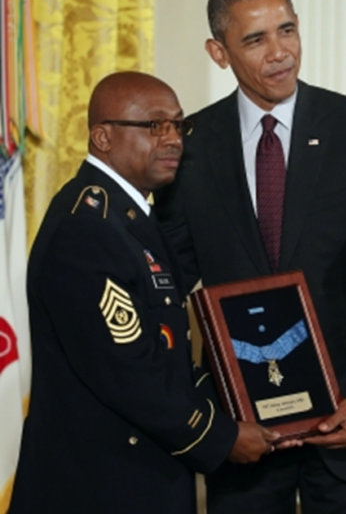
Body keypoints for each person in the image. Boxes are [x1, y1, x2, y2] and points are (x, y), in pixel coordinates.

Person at [154, 0, 346, 514]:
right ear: (219, 51)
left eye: (288, 30)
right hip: (242, 434)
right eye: (255, 40)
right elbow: (170, 284)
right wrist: (203, 412)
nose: (280, 53)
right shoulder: (192, 147)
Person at [9, 71, 277, 514]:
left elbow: (168, 349)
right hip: (99, 486)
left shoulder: (131, 219)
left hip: (140, 474)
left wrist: (240, 394)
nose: (173, 139)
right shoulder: (87, 229)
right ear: (103, 137)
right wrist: (219, 437)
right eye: (154, 126)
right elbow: (130, 371)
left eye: (178, 125)